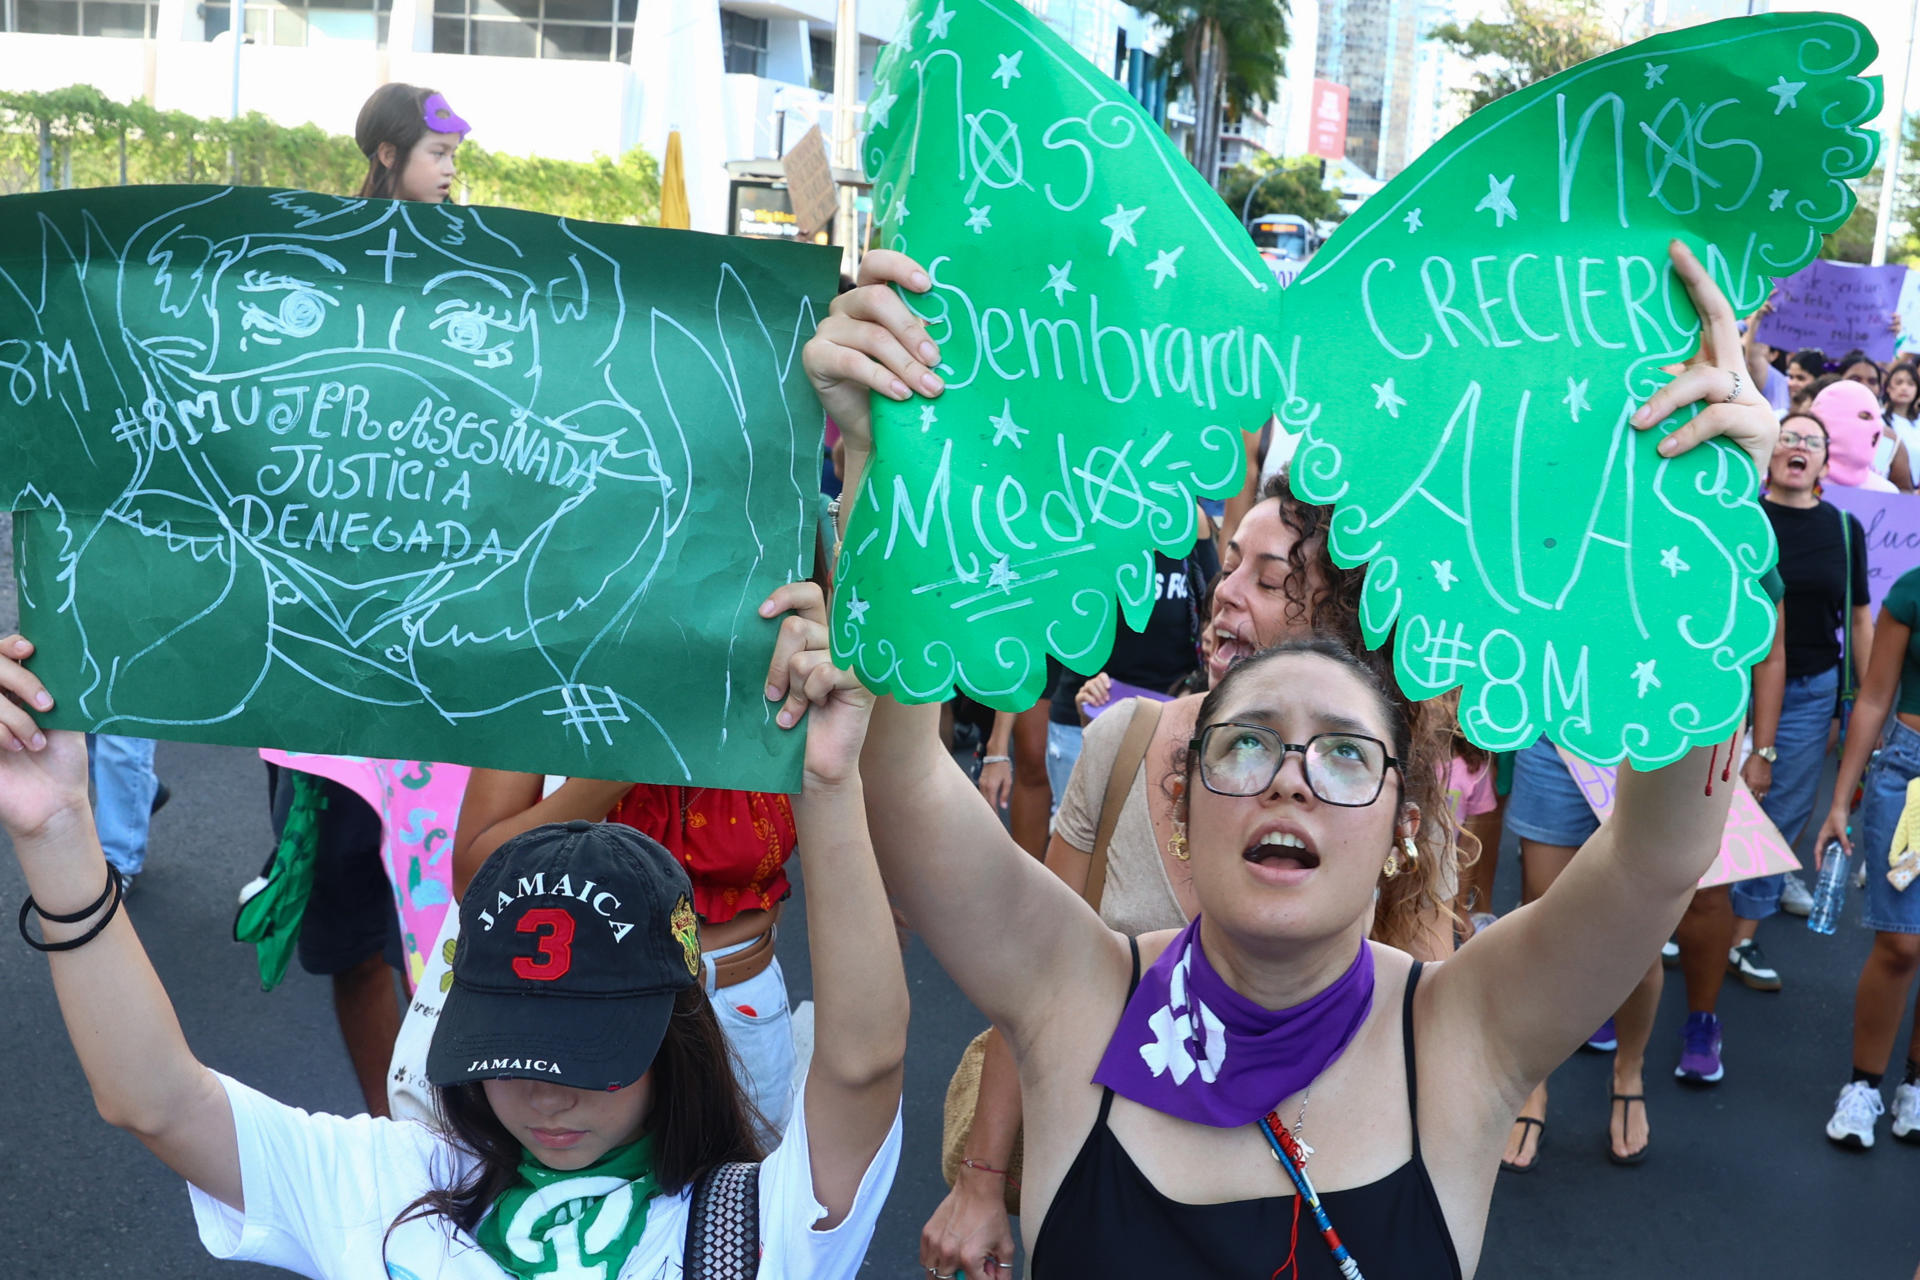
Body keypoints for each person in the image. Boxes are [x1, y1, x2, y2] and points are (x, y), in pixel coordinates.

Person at [797, 241, 1776, 1277]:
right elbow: (902, 774)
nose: (1293, 776)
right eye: (1249, 741)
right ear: (1182, 792)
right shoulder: (1074, 994)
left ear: (1406, 818)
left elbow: (1657, 856)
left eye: (1348, 755)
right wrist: (882, 452)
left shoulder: (1460, 1036)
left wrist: (1707, 525)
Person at [2, 581, 905, 1277]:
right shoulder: (397, 1184)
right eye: (511, 1050)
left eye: (588, 1051)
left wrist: (830, 786)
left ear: (675, 1036)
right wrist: (55, 834)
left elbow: (863, 1062)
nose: (547, 1097)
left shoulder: (753, 1225)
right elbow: (154, 1100)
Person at [916, 476, 1460, 1280]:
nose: (1224, 593)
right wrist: (984, 1179)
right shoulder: (1127, 741)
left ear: (1340, 628)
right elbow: (1033, 987)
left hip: (1312, 1203)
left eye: (1271, 581)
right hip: (1114, 1195)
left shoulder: (1387, 793)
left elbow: (1434, 1033)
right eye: (1228, 563)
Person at [451, 774, 802, 1136]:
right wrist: (624, 754)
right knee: (599, 1186)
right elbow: (476, 877)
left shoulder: (768, 714)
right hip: (590, 1005)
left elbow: (856, 857)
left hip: (741, 997)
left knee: (749, 1186)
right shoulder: (560, 715)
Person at [1813, 558, 1920, 1150]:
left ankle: (1915, 1083)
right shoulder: (1913, 589)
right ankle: (1864, 1086)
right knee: (1901, 943)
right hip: (1910, 778)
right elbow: (1875, 698)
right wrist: (1840, 801)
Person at [355, 82, 468, 203]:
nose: (451, 170)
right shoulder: (345, 220)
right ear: (390, 155)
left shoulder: (460, 221)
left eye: (452, 156)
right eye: (439, 153)